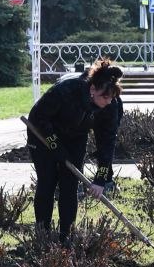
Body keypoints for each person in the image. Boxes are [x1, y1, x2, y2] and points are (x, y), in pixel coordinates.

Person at [27, 58, 124, 243]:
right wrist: (56, 147)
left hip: (76, 137)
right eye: (105, 96)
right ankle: (42, 235)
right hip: (42, 133)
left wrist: (101, 178)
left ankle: (66, 236)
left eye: (112, 97)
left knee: (70, 185)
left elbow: (107, 143)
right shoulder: (67, 90)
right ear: (93, 89)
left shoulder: (111, 106)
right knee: (47, 182)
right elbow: (39, 117)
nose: (109, 101)